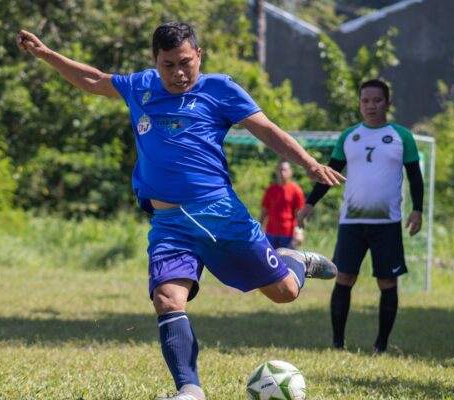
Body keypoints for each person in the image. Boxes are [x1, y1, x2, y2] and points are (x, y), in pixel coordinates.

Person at [17, 22, 344, 400]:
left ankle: (295, 261)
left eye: (185, 62)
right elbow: (94, 79)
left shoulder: (220, 89)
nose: (178, 73)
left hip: (221, 215)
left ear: (199, 55)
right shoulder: (141, 86)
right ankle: (189, 389)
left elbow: (267, 130)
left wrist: (309, 164)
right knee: (167, 299)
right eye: (168, 65)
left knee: (284, 293)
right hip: (169, 224)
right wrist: (46, 54)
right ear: (155, 61)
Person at [298, 79, 424, 354]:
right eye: (365, 101)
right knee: (343, 277)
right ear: (359, 104)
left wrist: (418, 209)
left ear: (387, 104)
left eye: (377, 100)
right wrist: (310, 203)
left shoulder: (402, 136)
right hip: (351, 223)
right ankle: (337, 343)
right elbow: (329, 173)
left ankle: (381, 345)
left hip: (387, 224)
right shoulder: (349, 136)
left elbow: (415, 176)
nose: (371, 106)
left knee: (387, 282)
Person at [259, 160, 306, 249]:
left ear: (290, 172)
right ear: (276, 172)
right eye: (280, 170)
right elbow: (264, 211)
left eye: (285, 170)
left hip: (288, 234)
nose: (282, 173)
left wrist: (299, 232)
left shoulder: (296, 190)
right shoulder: (270, 190)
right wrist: (259, 227)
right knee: (267, 256)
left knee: (285, 257)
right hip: (270, 232)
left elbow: (299, 214)